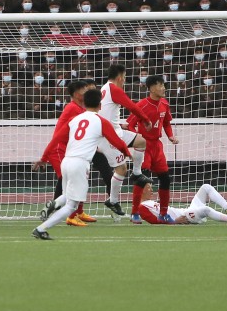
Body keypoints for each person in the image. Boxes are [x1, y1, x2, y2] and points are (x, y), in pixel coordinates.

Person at [33, 88, 131, 240]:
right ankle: (41, 229)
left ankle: (52, 204)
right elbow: (117, 142)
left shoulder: (75, 120)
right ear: (100, 105)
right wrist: (128, 153)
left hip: (66, 161)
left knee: (66, 195)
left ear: (84, 103)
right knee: (71, 206)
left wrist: (44, 158)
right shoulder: (101, 121)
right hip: (80, 163)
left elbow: (56, 139)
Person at [34, 80, 97, 226]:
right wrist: (45, 156)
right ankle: (69, 214)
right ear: (76, 94)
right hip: (58, 149)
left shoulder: (80, 108)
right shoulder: (72, 108)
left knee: (74, 180)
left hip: (69, 149)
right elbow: (58, 136)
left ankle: (72, 211)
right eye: (84, 90)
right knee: (71, 181)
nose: (86, 92)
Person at [99, 64, 152, 217]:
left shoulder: (104, 88)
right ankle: (113, 200)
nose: (125, 80)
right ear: (120, 77)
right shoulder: (113, 89)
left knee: (141, 141)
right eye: (125, 77)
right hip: (108, 136)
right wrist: (146, 119)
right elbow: (131, 106)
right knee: (121, 169)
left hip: (116, 131)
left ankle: (137, 173)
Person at [126, 75, 179, 224]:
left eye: (163, 84)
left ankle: (163, 213)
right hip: (144, 146)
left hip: (157, 145)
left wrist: (170, 136)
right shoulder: (142, 105)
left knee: (165, 179)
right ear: (151, 88)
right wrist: (136, 140)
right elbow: (130, 124)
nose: (163, 88)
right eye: (159, 85)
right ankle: (134, 212)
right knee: (142, 179)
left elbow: (167, 122)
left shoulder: (164, 104)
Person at [137, 182, 227, 225]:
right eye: (148, 188)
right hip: (184, 216)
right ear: (141, 191)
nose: (151, 190)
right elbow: (153, 221)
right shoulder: (142, 207)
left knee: (205, 187)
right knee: (206, 209)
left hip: (186, 211)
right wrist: (174, 221)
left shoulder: (149, 202)